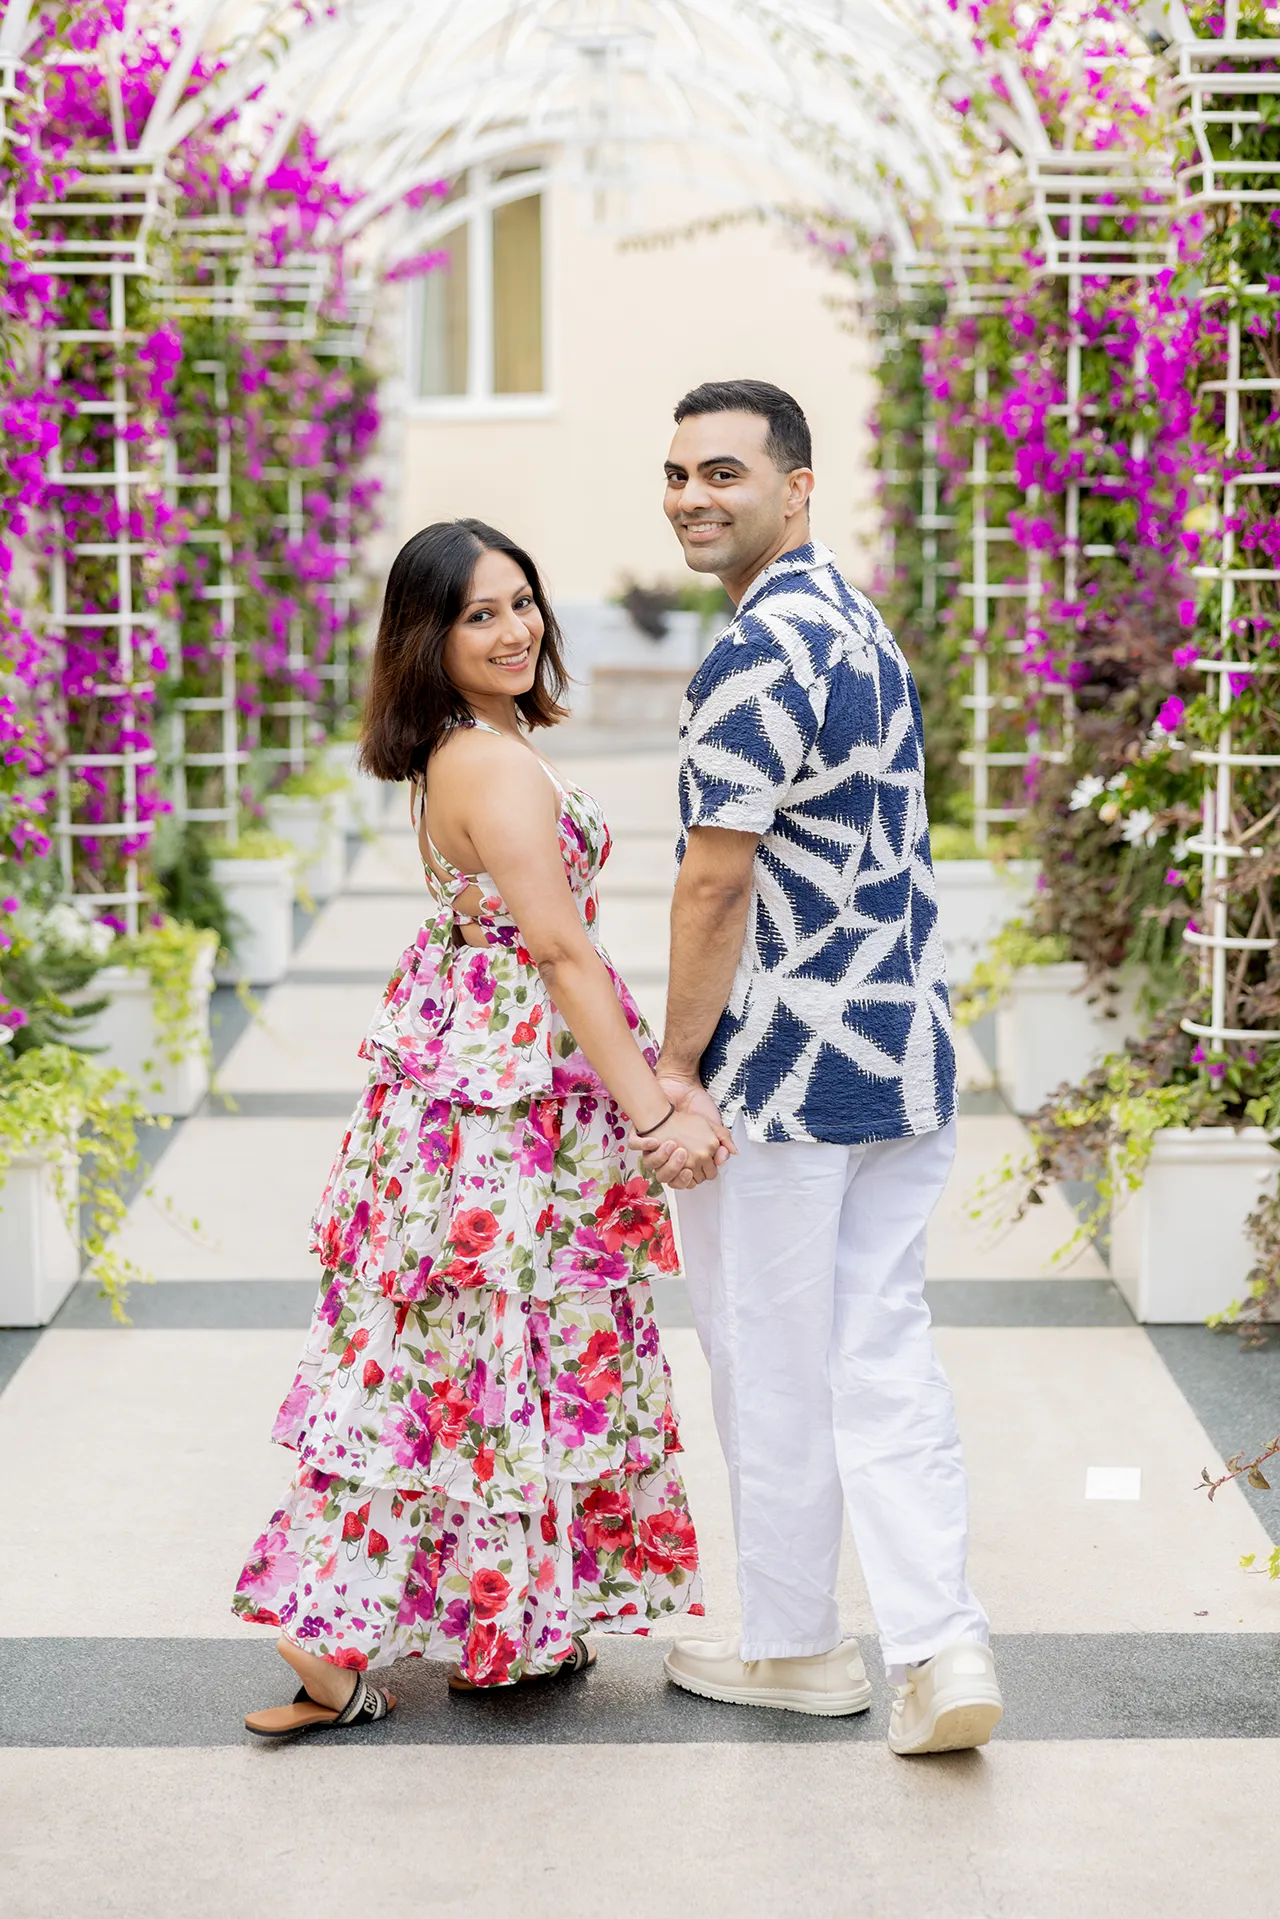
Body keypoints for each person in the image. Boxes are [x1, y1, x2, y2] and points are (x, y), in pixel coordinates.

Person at [235, 518, 717, 1739]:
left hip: (483, 1080)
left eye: (521, 602)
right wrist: (652, 1108)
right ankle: (331, 1625)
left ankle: (504, 1625)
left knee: (479, 1350)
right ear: (427, 637)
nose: (513, 630)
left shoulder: (475, 742)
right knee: (471, 1346)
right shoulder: (487, 763)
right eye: (477, 614)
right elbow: (557, 948)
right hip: (503, 1099)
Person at [637, 379, 1003, 1756]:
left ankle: (795, 1646)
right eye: (677, 473)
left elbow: (712, 882)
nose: (692, 496)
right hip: (900, 1061)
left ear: (797, 486)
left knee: (772, 1360)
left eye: (723, 472)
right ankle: (941, 1643)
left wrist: (677, 1067)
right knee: (882, 1352)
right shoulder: (856, 622)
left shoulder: (758, 652)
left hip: (786, 1077)